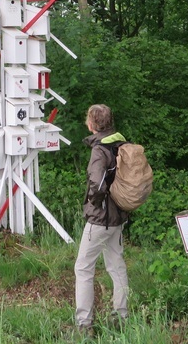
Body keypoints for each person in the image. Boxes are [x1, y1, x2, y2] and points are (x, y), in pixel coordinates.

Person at [74, 104, 129, 334]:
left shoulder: (99, 150)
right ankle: (121, 317)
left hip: (100, 220)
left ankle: (84, 324)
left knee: (83, 269)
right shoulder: (120, 144)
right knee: (116, 266)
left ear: (92, 123)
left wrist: (94, 203)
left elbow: (97, 185)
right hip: (118, 217)